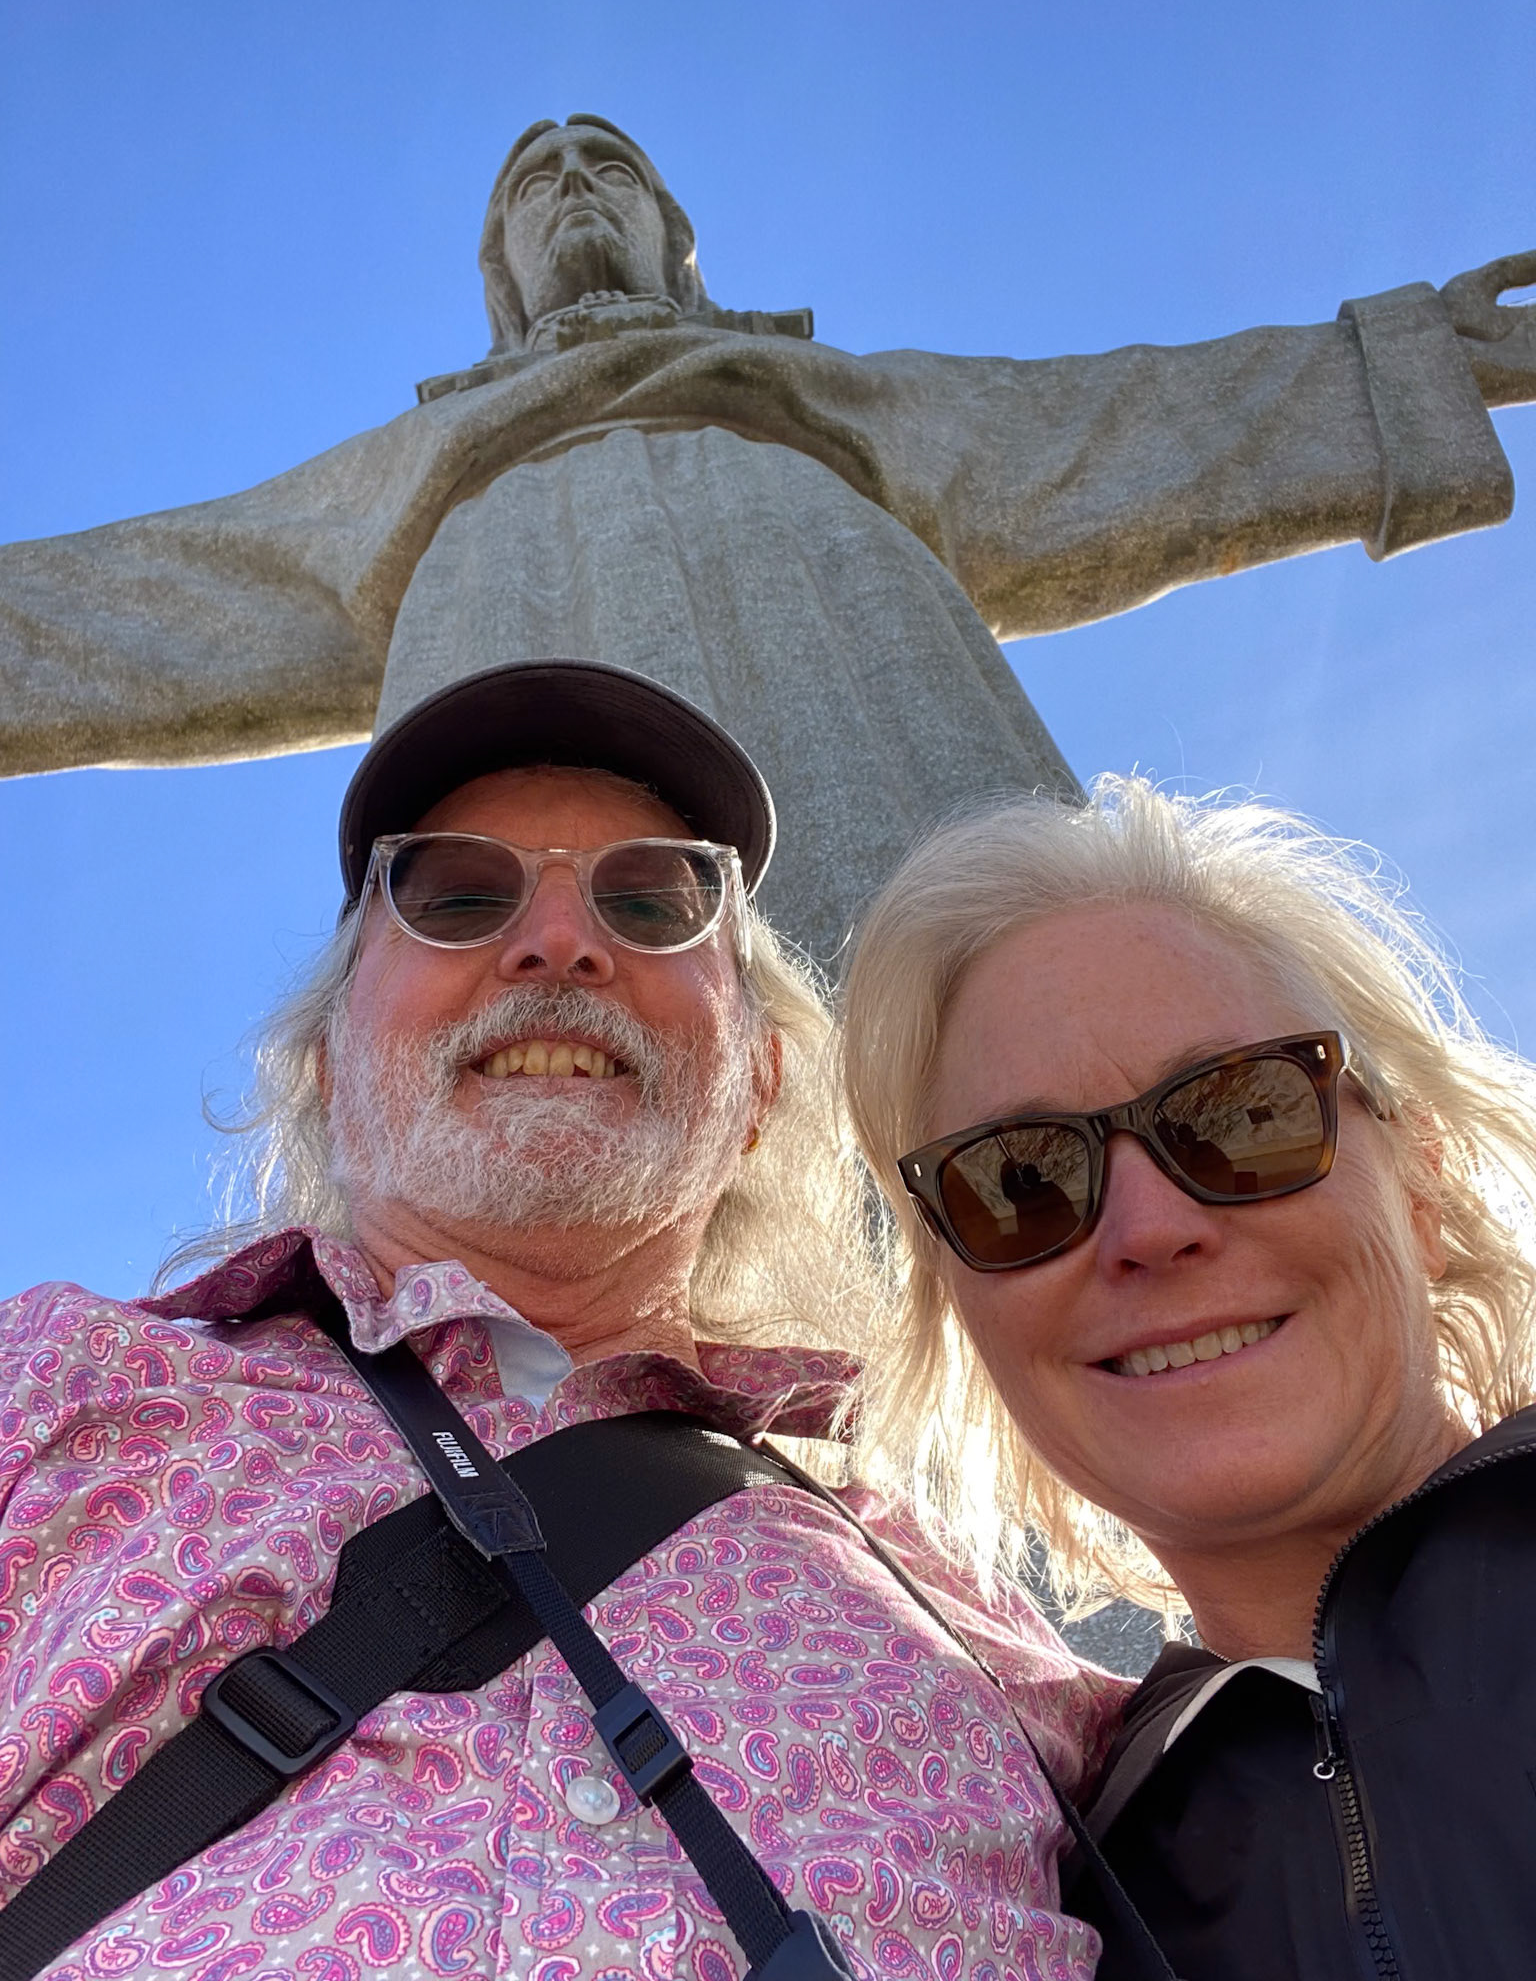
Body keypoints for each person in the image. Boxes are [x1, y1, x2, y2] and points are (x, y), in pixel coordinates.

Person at [0, 659, 1123, 1981]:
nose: (557, 941)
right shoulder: (54, 1389)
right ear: (328, 1063)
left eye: (651, 902)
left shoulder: (968, 1617)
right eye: (456, 896)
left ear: (759, 1083)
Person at [3, 112, 1533, 960]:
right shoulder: (412, 470)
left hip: (867, 683)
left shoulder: (827, 399)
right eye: (536, 185)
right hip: (521, 735)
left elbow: (1116, 428)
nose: (573, 189)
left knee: (976, 1023)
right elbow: (158, 597)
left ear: (678, 244)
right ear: (500, 271)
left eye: (608, 169)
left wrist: (1404, 364)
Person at [840, 775, 1536, 1980]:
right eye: (1020, 1182)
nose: (1150, 1226)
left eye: (1245, 1112)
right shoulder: (1048, 1907)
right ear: (967, 1312)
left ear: (1419, 1183)